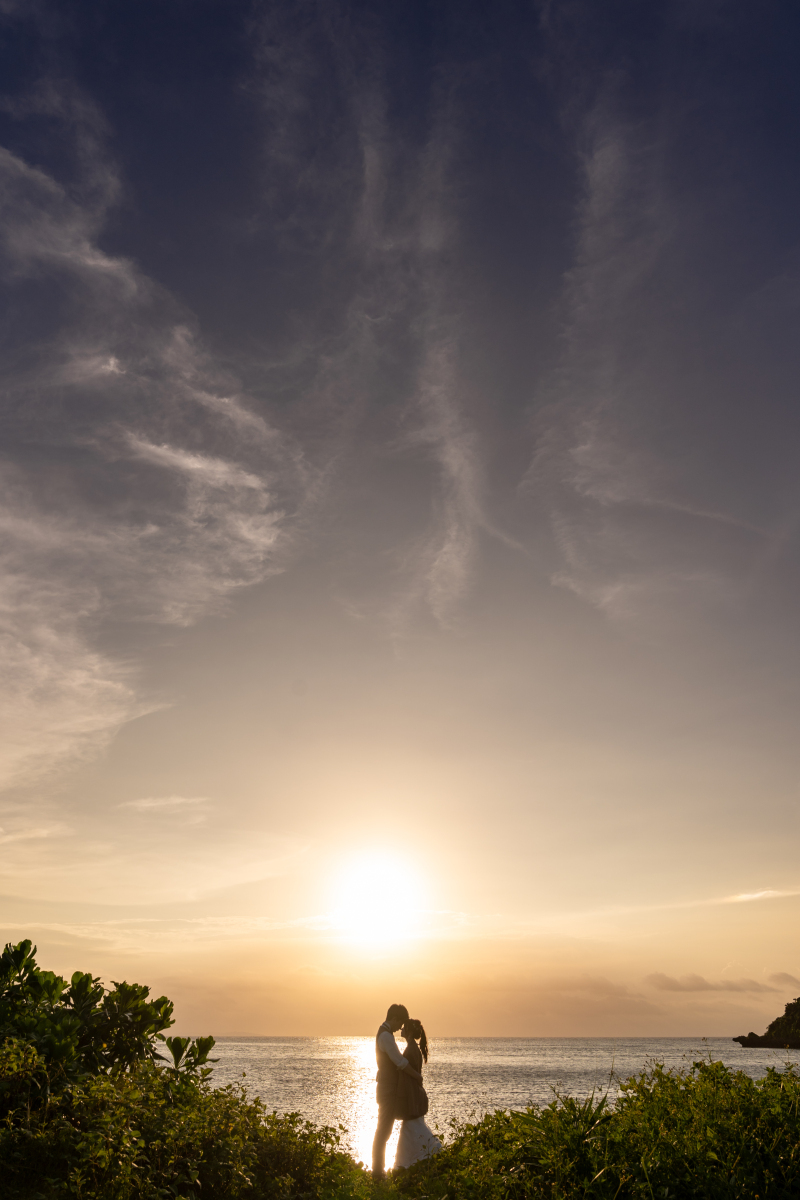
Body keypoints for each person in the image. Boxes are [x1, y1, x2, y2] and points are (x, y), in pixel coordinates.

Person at [371, 1003, 422, 1178]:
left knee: (385, 1130)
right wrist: (416, 1076)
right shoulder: (385, 1037)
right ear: (394, 1019)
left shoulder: (384, 1034)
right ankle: (378, 1172)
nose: (400, 1028)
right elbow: (400, 1062)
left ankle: (379, 1170)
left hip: (388, 1089)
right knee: (383, 1131)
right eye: (400, 1023)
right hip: (387, 1091)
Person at [394, 1018, 442, 1169]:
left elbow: (410, 1074)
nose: (401, 1030)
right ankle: (408, 1163)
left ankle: (418, 1158)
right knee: (410, 1129)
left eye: (403, 1028)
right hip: (413, 1093)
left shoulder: (411, 1050)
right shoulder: (414, 1049)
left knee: (412, 1127)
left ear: (408, 1031)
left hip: (412, 1094)